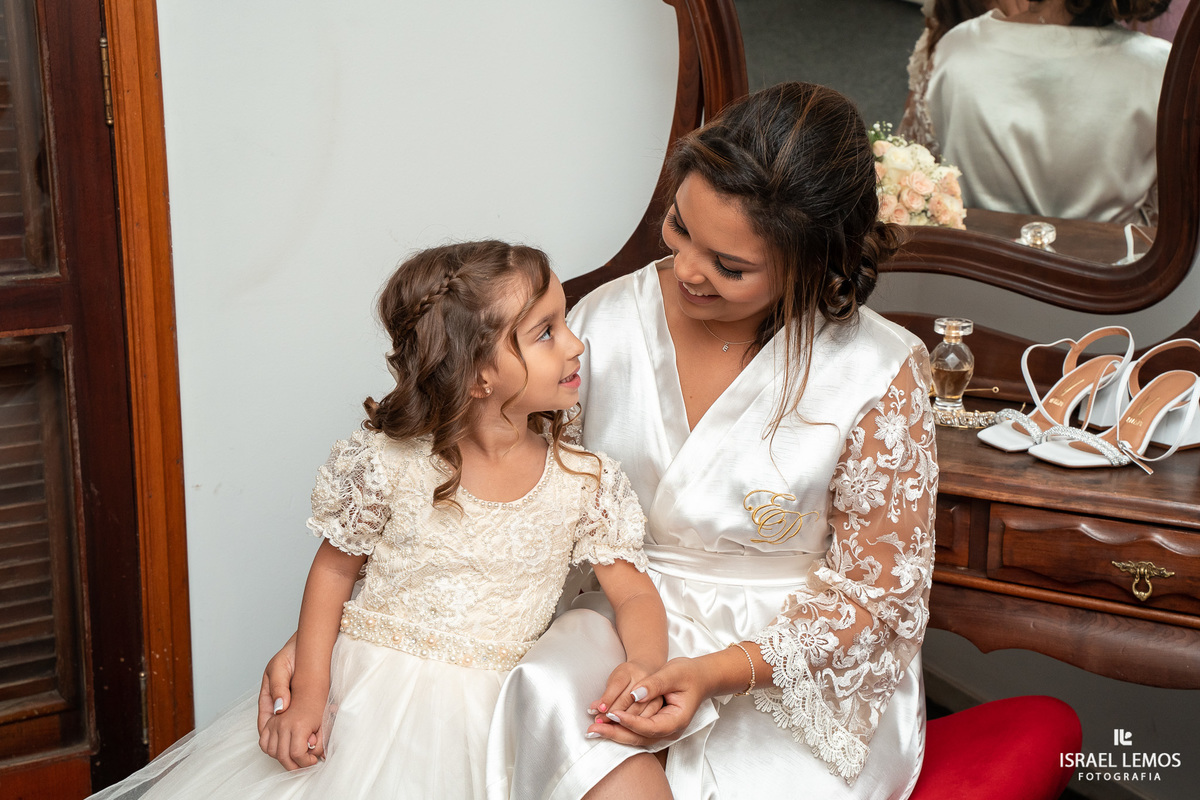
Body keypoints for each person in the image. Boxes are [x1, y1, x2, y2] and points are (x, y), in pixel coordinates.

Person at [90, 240, 667, 799]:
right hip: (368, 692)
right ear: (477, 375)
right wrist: (310, 692)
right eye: (546, 332)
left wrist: (644, 663)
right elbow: (333, 573)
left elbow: (635, 595)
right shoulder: (389, 462)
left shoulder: (584, 482)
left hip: (499, 712)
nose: (575, 343)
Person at [918, 0, 1173, 225]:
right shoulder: (1162, 68)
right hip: (1112, 262)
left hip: (976, 258)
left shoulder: (958, 48)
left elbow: (918, 170)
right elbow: (1174, 206)